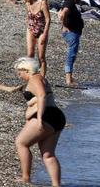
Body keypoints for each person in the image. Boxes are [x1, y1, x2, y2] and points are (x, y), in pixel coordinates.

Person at [14, 57, 65, 187]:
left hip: (46, 116)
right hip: (56, 117)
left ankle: (25, 177)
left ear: (26, 70)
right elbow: (41, 97)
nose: (19, 76)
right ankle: (56, 185)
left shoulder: (35, 78)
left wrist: (40, 118)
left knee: (21, 143)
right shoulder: (41, 78)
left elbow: (41, 96)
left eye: (19, 73)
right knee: (47, 154)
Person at [20, 0, 50, 76]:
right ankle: (31, 76)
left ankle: (42, 78)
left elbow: (48, 19)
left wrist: (45, 34)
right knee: (30, 54)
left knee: (41, 57)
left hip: (41, 30)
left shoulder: (42, 3)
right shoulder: (27, 4)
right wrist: (28, 27)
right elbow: (27, 17)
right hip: (31, 29)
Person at [58, 0, 84, 87]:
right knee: (71, 55)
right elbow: (62, 14)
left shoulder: (68, 1)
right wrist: (64, 25)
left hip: (73, 32)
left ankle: (70, 77)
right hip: (71, 33)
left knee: (72, 55)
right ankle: (68, 80)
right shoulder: (69, 2)